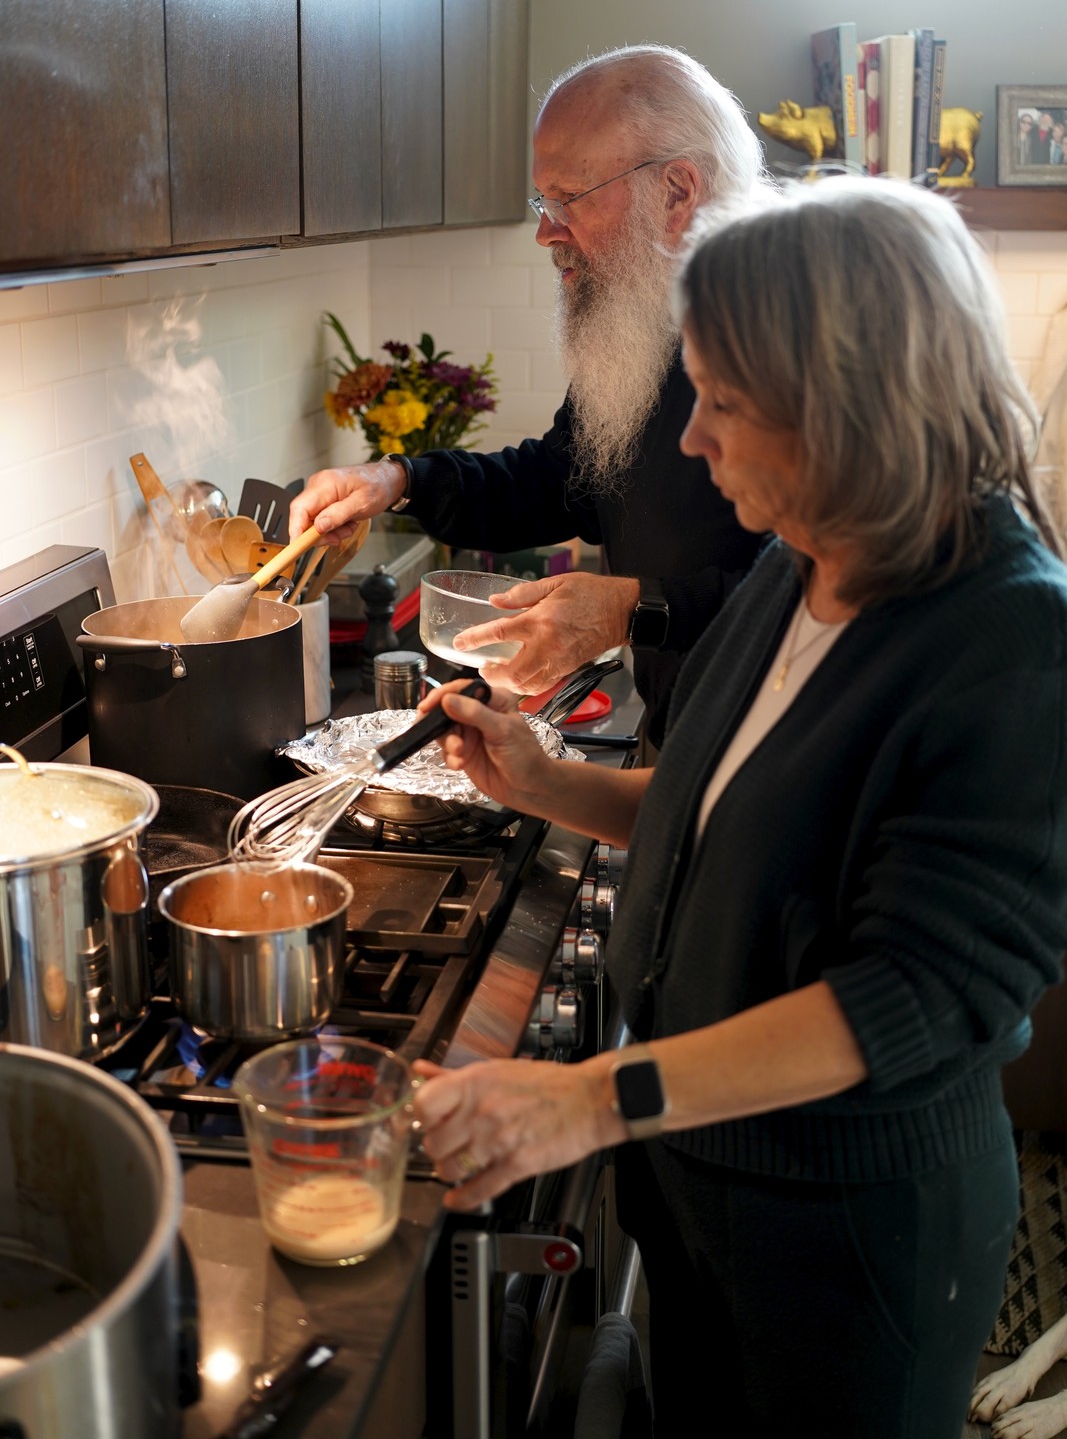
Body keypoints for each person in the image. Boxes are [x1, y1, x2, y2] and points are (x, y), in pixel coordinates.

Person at [411, 176, 1067, 1437]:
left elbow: (910, 997)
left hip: (846, 1243)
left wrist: (590, 1098)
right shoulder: (798, 559)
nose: (692, 441)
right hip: (702, 1184)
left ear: (842, 404)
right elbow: (729, 810)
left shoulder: (1011, 642)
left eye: (720, 401)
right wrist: (550, 781)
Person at [288, 45, 768, 746]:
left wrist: (633, 608)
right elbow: (562, 479)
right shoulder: (652, 321)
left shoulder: (789, 341)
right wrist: (397, 480)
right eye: (543, 201)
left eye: (567, 199)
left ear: (676, 191)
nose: (546, 231)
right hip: (685, 744)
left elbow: (831, 596)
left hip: (783, 757)